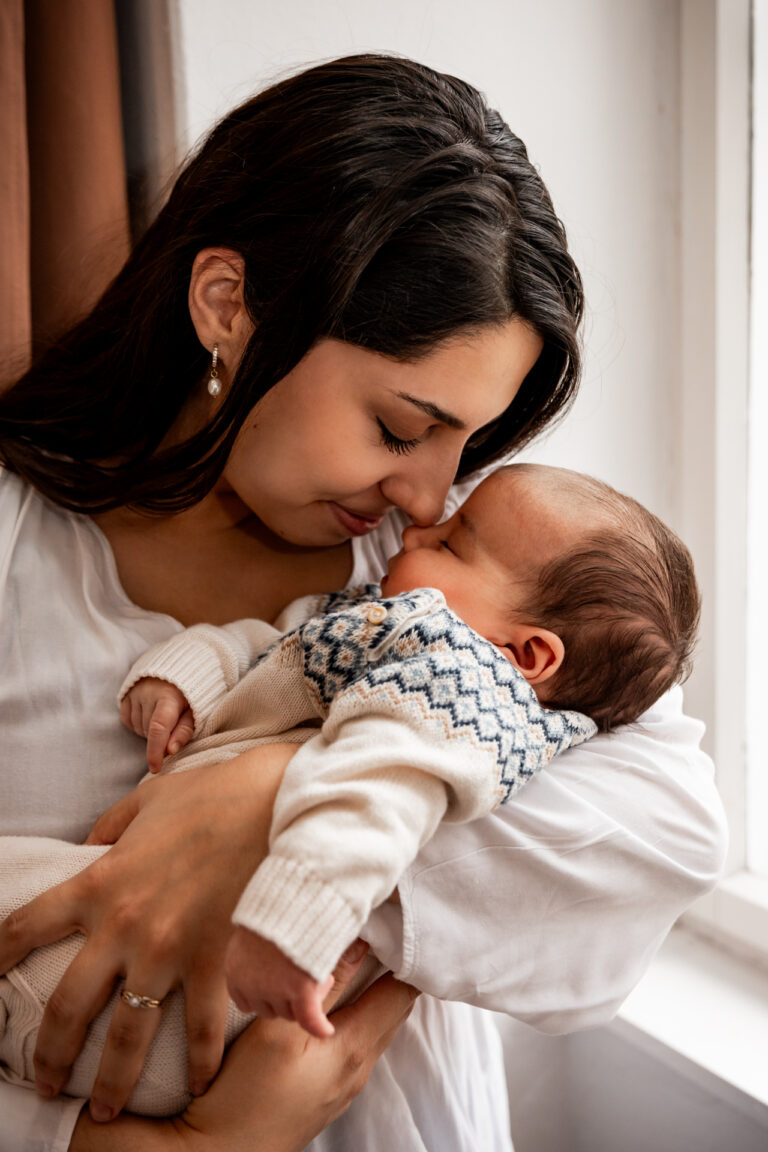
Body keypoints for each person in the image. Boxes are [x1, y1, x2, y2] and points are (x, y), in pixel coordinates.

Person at [0, 54, 726, 1152]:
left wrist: (263, 798)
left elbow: (667, 837)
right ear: (227, 306)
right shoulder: (19, 547)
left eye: (468, 444)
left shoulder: (453, 572)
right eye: (399, 427)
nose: (433, 490)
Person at [0, 462, 701, 1117]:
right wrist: (189, 674)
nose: (422, 524)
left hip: (195, 1001)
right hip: (131, 986)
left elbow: (376, 804)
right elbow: (273, 647)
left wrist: (292, 930)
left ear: (527, 656)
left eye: (452, 544)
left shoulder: (459, 686)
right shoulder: (378, 621)